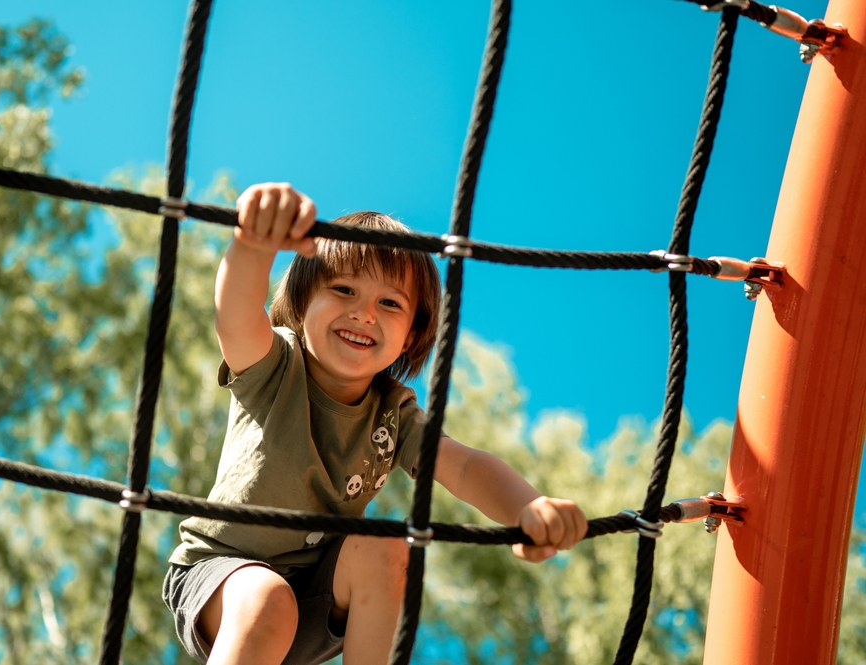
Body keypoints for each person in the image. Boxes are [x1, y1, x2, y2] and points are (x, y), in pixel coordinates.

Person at [163, 183, 588, 665]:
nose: (364, 313)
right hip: (222, 578)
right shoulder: (276, 365)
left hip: (318, 599)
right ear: (301, 303)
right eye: (343, 289)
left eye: (390, 304)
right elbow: (236, 318)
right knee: (267, 599)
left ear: (410, 336)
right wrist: (252, 244)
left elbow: (464, 467)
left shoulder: (393, 412)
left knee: (387, 547)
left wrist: (527, 508)